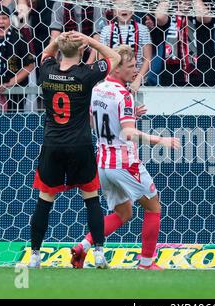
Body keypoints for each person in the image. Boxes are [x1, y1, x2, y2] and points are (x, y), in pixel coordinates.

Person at [70, 45, 180, 270]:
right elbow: (129, 133)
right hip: (124, 162)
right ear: (117, 68)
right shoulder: (124, 95)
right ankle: (147, 263)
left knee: (124, 212)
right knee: (153, 207)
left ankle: (83, 246)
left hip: (103, 163)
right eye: (131, 66)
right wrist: (162, 141)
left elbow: (93, 122)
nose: (135, 70)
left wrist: (127, 116)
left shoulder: (98, 88)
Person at [28, 31, 121, 268]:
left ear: (60, 50)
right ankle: (99, 253)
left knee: (44, 200)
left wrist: (56, 41)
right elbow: (115, 58)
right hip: (80, 145)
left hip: (52, 144)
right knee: (90, 199)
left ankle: (35, 256)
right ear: (81, 51)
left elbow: (45, 54)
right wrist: (89, 40)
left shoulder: (47, 71)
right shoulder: (85, 74)